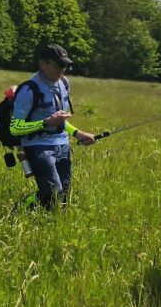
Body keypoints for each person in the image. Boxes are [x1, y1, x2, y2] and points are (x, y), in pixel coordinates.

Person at [10, 44, 96, 210]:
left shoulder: (63, 84)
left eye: (64, 66)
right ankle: (20, 208)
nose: (61, 71)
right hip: (37, 146)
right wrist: (45, 123)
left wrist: (77, 133)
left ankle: (48, 220)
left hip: (62, 144)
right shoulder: (29, 89)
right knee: (51, 193)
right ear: (43, 64)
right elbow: (15, 128)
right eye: (57, 66)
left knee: (63, 194)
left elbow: (60, 120)